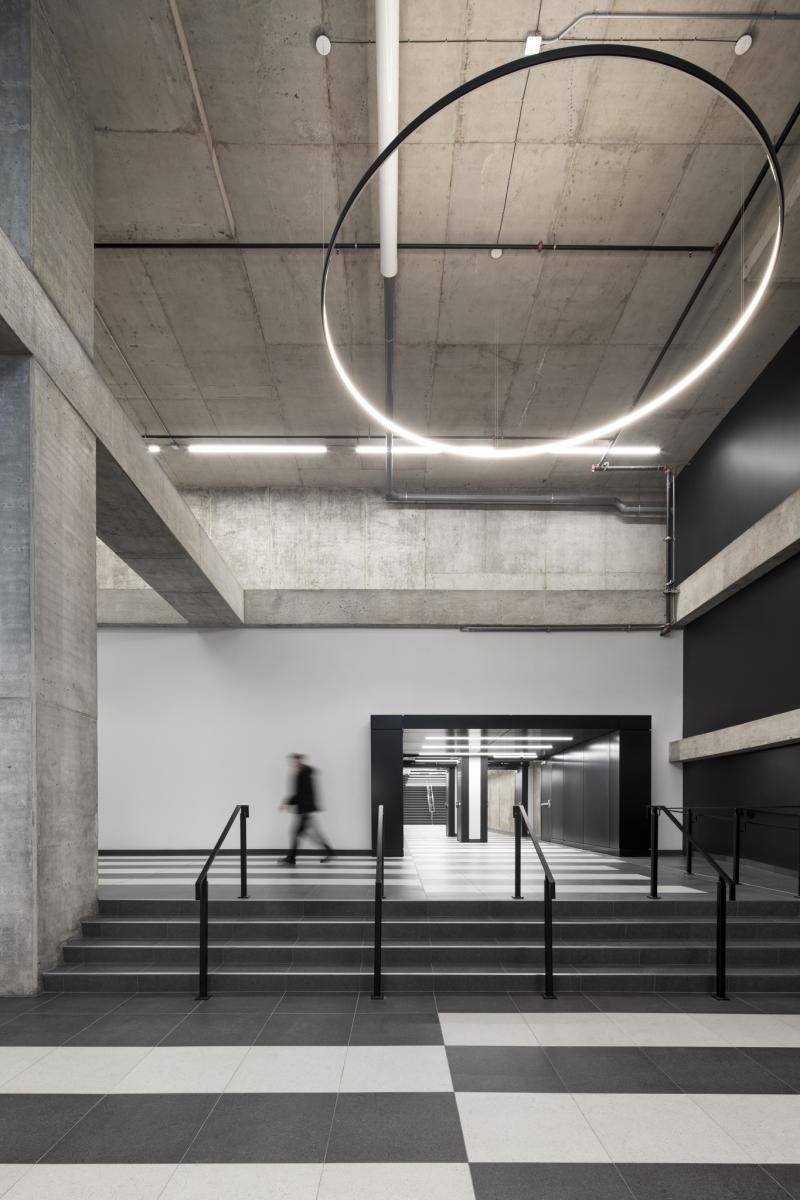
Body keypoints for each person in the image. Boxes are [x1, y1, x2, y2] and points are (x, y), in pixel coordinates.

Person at [279, 753, 332, 866]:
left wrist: (287, 803)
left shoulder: (303, 774)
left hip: (304, 809)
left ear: (299, 761)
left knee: (297, 833)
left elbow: (302, 793)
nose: (293, 764)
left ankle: (291, 858)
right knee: (306, 833)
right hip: (305, 808)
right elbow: (302, 793)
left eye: (294, 761)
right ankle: (329, 852)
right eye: (292, 762)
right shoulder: (304, 773)